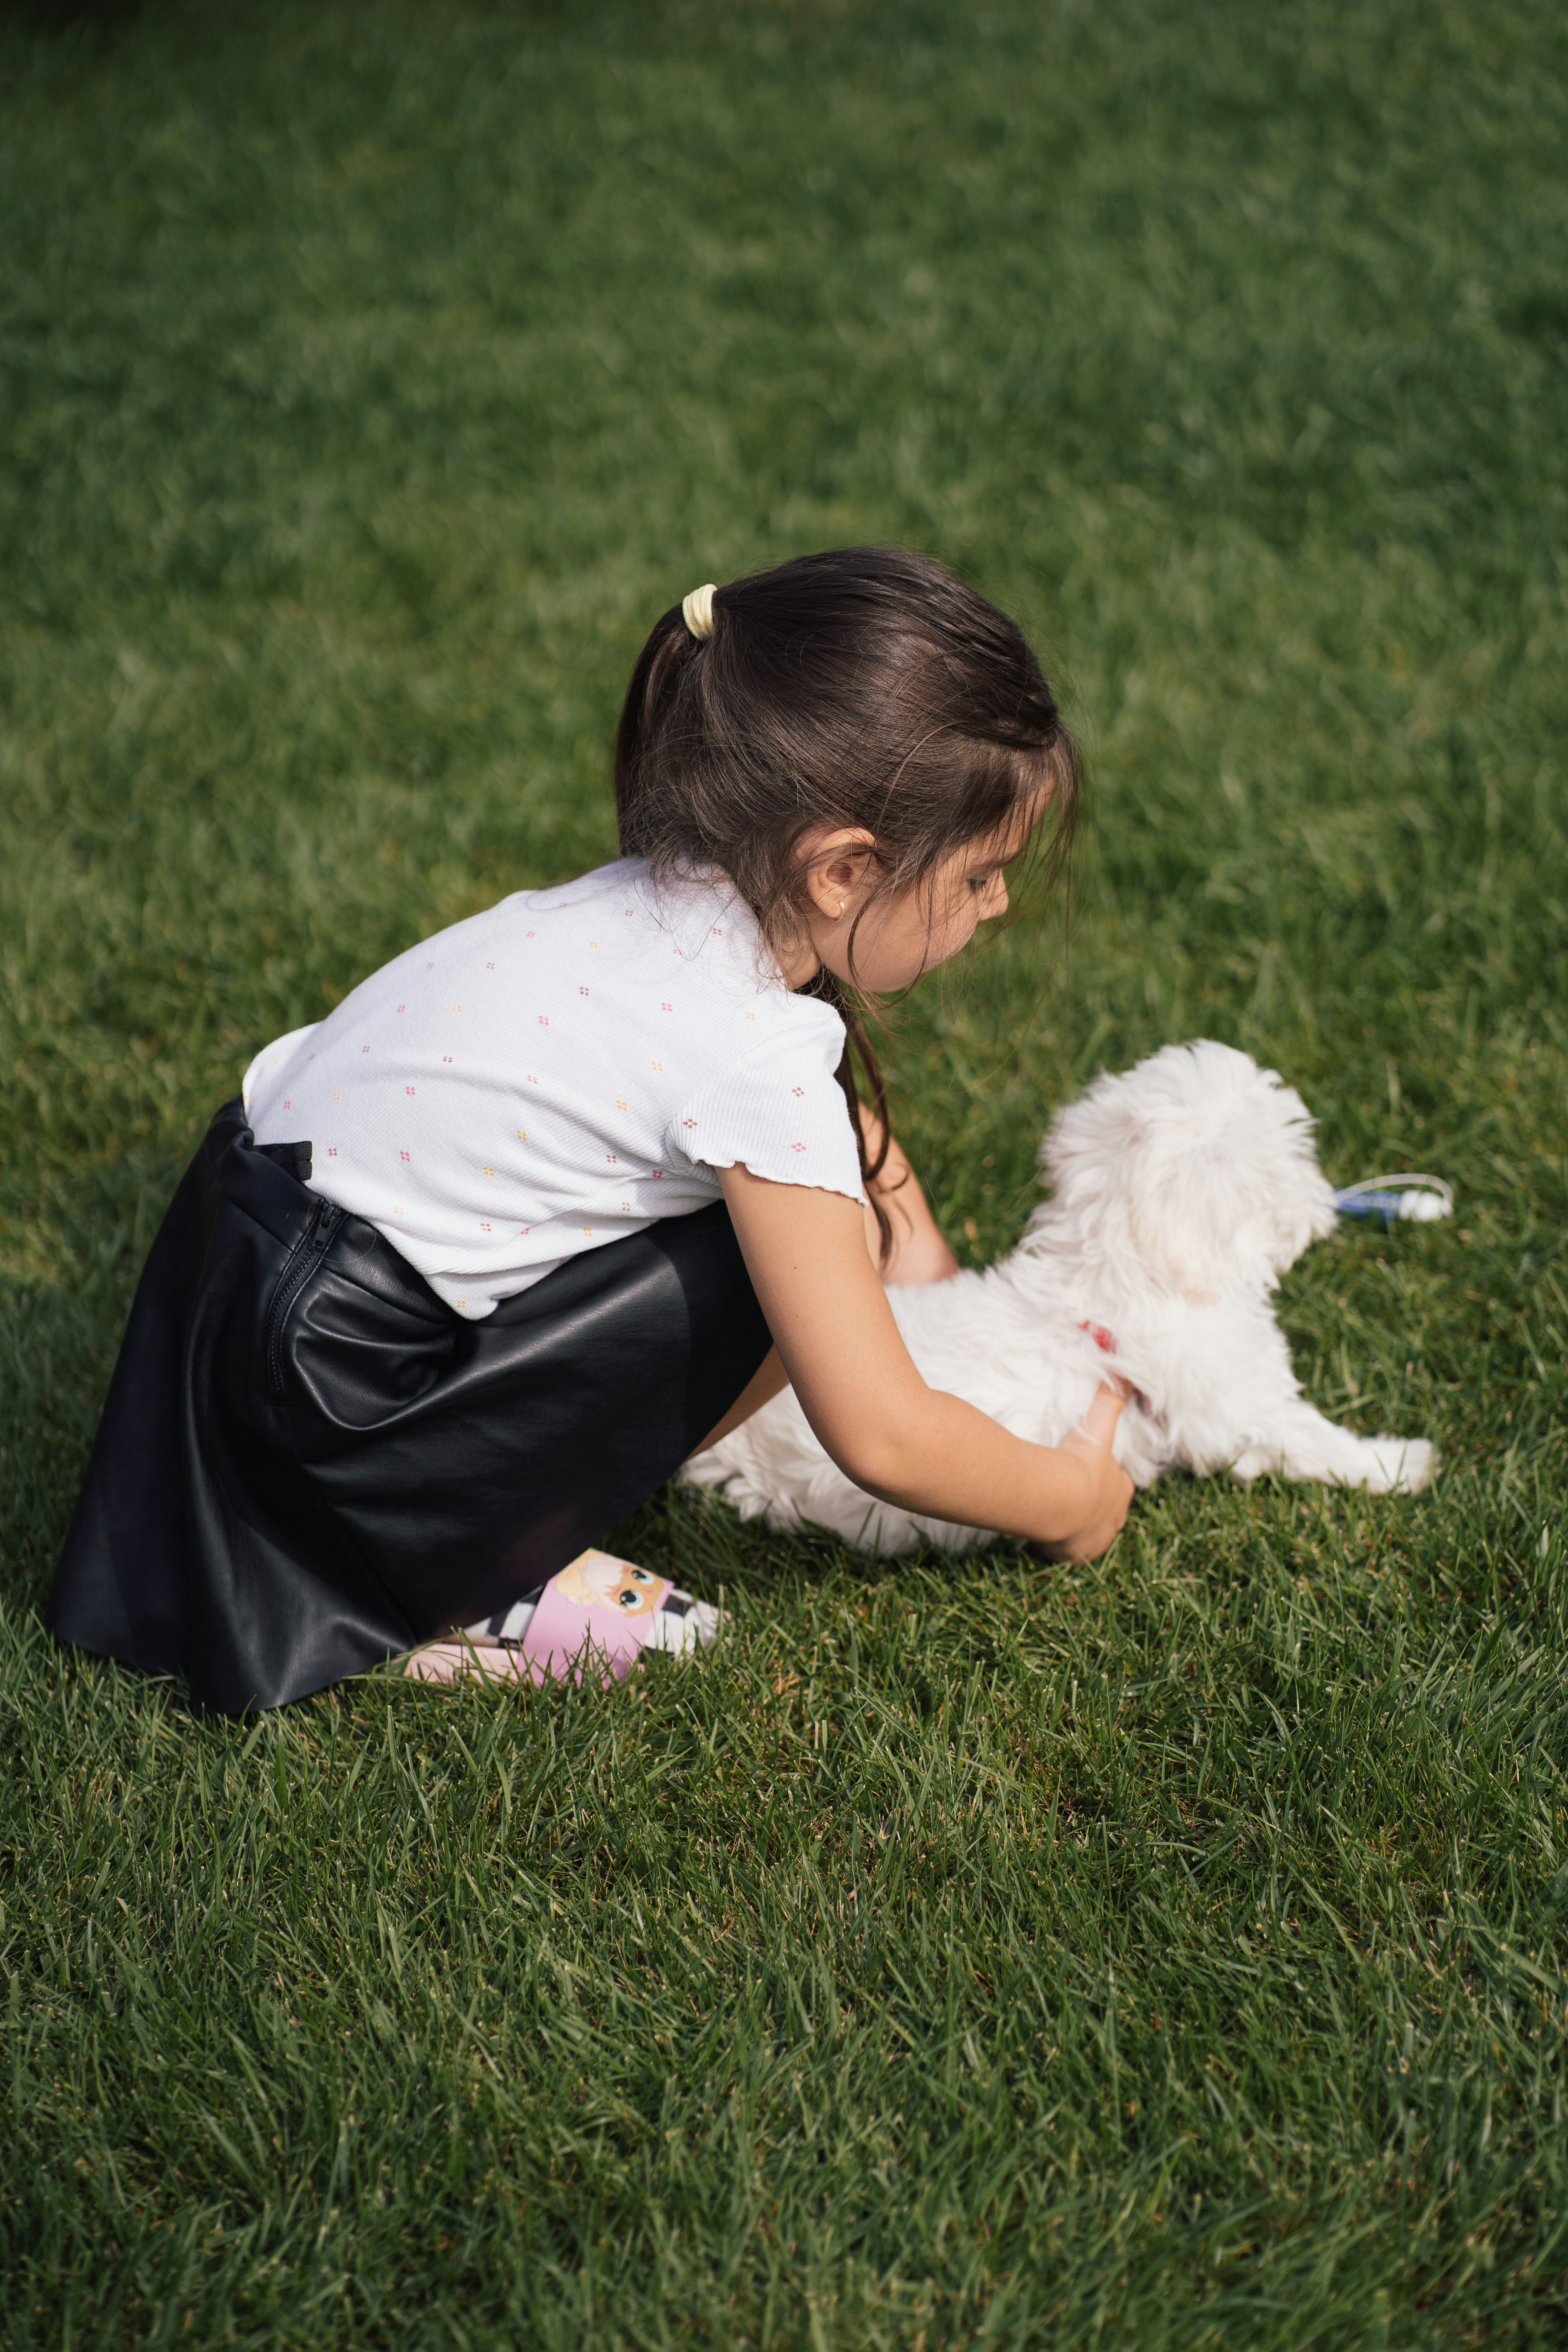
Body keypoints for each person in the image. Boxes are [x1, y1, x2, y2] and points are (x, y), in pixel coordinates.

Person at [47, 548, 1132, 1713]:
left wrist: (906, 1239)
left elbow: (830, 1128)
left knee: (818, 1221)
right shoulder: (754, 1055)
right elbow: (883, 1433)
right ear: (845, 870)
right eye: (982, 876)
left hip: (237, 1309)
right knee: (786, 1267)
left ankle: (435, 1525)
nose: (1000, 904)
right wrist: (1075, 1498)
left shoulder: (659, 900)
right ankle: (468, 1574)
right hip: (335, 1426)